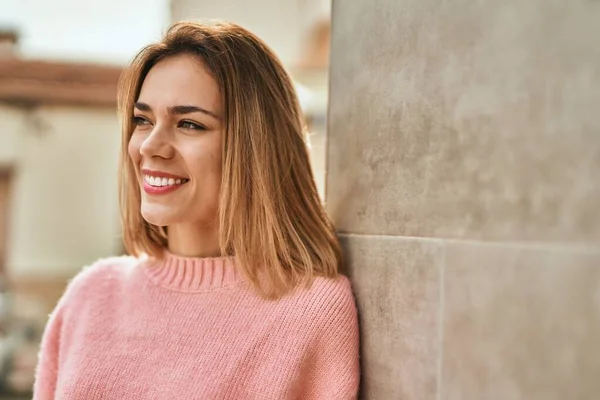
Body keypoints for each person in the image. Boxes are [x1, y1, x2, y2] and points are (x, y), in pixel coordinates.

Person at [33, 21, 360, 399]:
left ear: (255, 146)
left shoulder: (312, 311)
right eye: (143, 120)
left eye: (189, 124)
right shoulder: (91, 295)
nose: (151, 146)